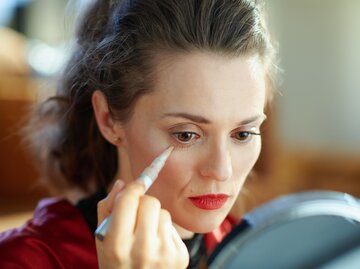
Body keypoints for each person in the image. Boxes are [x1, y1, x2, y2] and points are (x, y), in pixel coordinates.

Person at [0, 0, 277, 268]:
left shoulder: (256, 253)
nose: (221, 170)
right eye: (185, 135)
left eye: (243, 134)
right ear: (109, 119)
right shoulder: (25, 260)